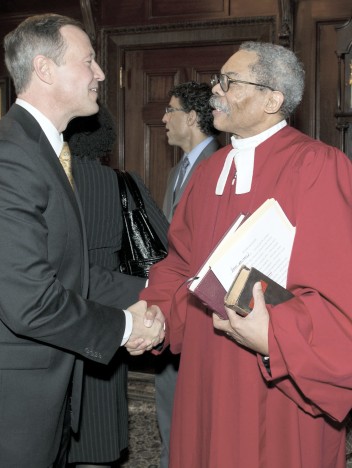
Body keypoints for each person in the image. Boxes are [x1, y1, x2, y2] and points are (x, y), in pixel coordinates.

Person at [0, 14, 164, 468]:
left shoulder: (38, 150)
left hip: (37, 400)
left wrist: (165, 293)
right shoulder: (5, 159)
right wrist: (128, 328)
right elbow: (30, 301)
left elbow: (73, 273)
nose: (100, 74)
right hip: (2, 410)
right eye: (88, 61)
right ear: (45, 69)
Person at [141, 41, 352, 468]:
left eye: (229, 82)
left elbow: (337, 292)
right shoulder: (210, 171)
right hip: (205, 363)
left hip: (273, 379)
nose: (215, 91)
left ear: (273, 100)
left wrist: (274, 338)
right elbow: (180, 262)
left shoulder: (317, 166)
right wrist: (157, 310)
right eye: (218, 80)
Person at [63, 105, 169, 467]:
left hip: (55, 312)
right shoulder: (123, 182)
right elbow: (166, 246)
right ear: (105, 139)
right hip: (110, 317)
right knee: (98, 431)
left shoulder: (46, 181)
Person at [157, 81, 220, 468]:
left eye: (171, 109)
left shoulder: (220, 163)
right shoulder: (177, 171)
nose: (163, 118)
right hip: (174, 303)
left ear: (193, 117)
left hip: (202, 308)